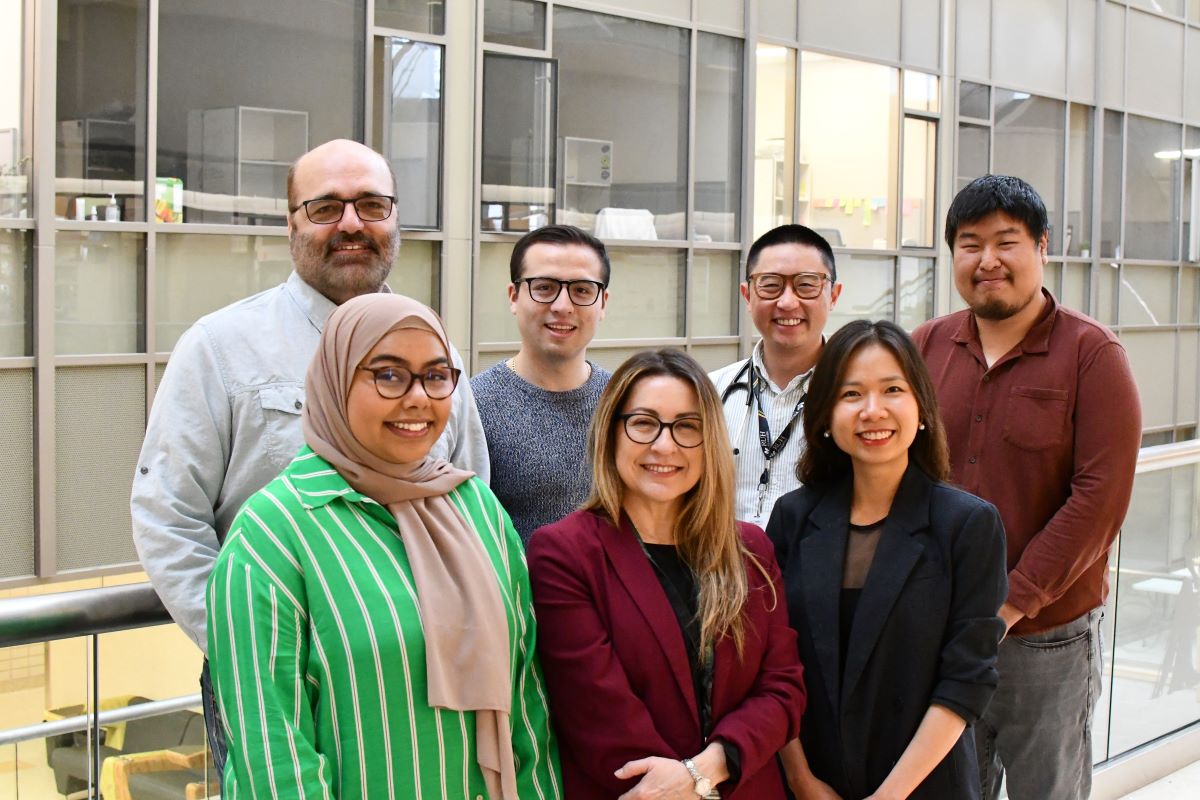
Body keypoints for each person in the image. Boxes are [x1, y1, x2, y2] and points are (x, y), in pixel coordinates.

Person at [130, 139, 489, 776]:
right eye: (326, 207)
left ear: (395, 220)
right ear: (292, 222)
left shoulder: (437, 348)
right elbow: (168, 517)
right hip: (278, 680)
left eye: (371, 205)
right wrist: (252, 651)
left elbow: (467, 499)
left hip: (424, 666)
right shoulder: (219, 349)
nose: (351, 223)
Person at [206, 293, 560, 799]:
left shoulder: (475, 507)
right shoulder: (274, 534)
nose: (418, 397)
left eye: (436, 376)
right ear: (335, 381)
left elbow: (527, 702)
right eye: (389, 375)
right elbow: (272, 752)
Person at [912, 175, 1141, 800]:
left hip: (1047, 641)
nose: (987, 260)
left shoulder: (1092, 354)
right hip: (942, 628)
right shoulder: (924, 347)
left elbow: (1100, 500)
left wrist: (1011, 604)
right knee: (953, 788)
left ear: (1043, 247)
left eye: (1006, 241)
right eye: (969, 243)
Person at [528, 349, 806, 799]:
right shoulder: (564, 554)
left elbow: (783, 687)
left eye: (686, 427)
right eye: (643, 423)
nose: (664, 445)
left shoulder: (749, 549)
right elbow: (596, 711)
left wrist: (705, 771)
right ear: (611, 432)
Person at [767, 320, 1008, 800]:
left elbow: (967, 679)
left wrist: (888, 796)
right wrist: (800, 779)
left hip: (924, 784)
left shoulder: (967, 525)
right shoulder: (793, 516)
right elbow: (772, 663)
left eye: (892, 390)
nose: (872, 411)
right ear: (826, 417)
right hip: (812, 781)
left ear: (920, 407)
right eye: (851, 394)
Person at [472, 225, 612, 542]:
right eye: (545, 287)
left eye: (581, 290)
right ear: (513, 296)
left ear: (602, 302)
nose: (562, 306)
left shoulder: (625, 402)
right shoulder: (474, 407)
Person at [710, 224, 842, 528]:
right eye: (770, 285)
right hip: (723, 570)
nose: (786, 302)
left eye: (806, 285)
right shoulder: (710, 391)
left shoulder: (853, 398)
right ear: (747, 295)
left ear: (833, 295)